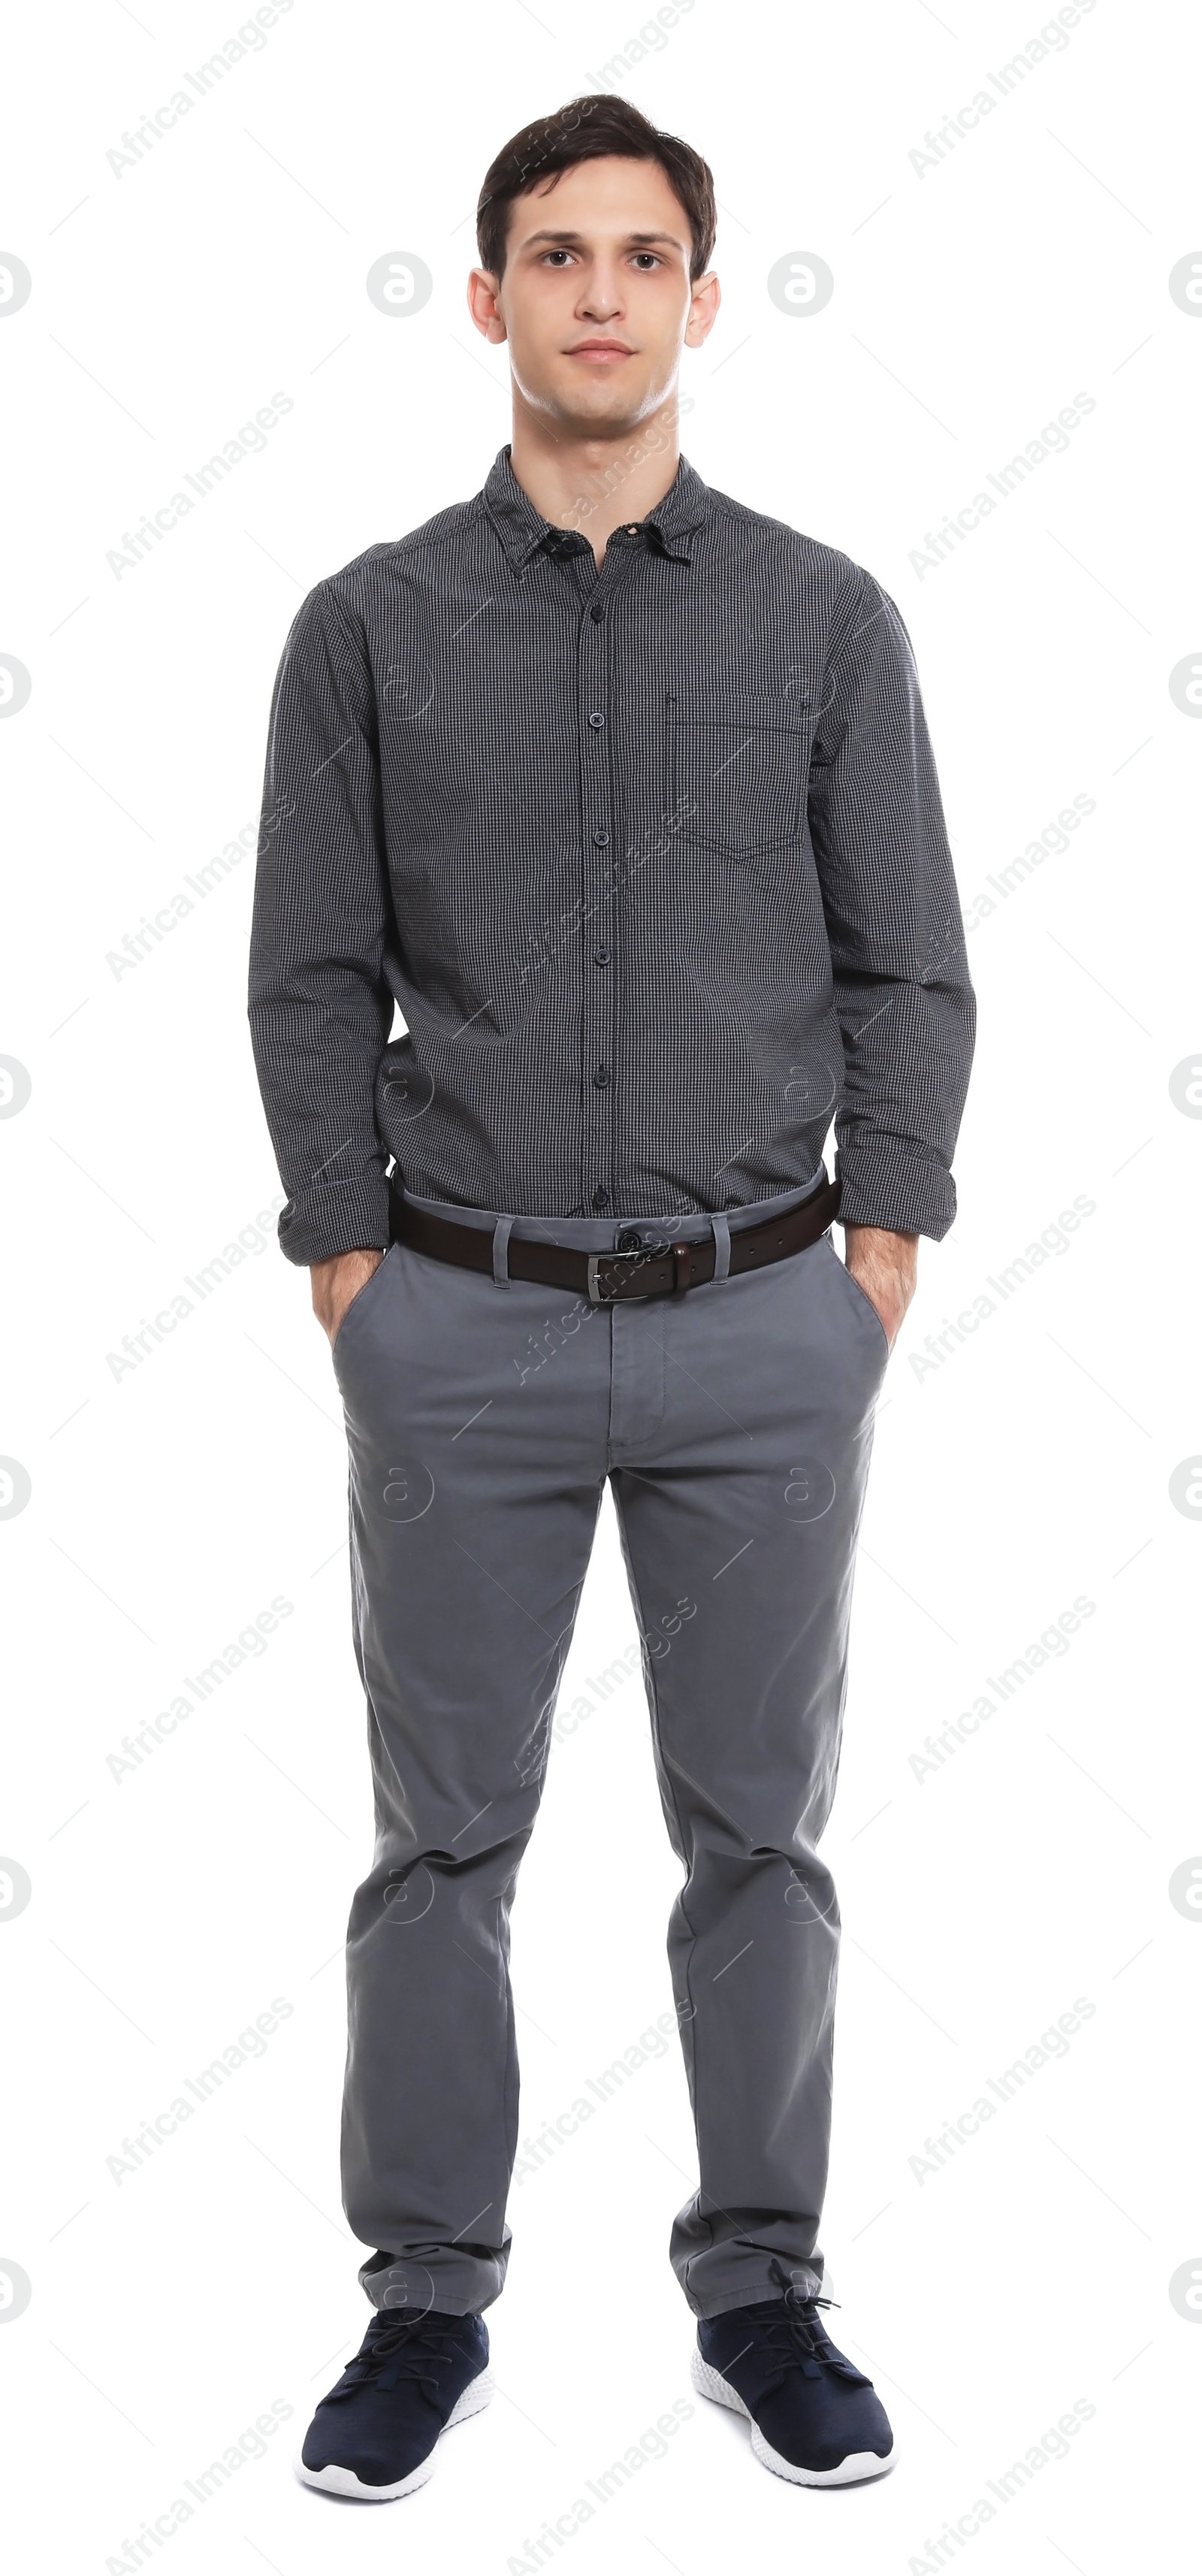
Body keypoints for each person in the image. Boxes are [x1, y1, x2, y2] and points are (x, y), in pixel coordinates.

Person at [248, 90, 975, 2505]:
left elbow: (912, 966)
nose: (594, 291)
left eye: (640, 254)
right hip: (453, 1315)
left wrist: (884, 1249)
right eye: (551, 252)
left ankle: (760, 2283)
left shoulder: (819, 617)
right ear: (488, 301)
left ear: (697, 298)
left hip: (768, 1325)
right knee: (440, 1841)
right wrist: (348, 1255)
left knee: (758, 1833)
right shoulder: (370, 622)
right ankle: (423, 2304)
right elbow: (306, 971)